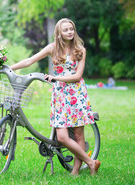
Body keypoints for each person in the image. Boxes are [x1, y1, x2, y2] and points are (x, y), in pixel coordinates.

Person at [10, 18, 101, 176]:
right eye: (65, 30)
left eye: (71, 29)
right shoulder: (52, 48)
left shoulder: (80, 50)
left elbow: (77, 76)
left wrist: (56, 78)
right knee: (62, 137)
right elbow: (30, 60)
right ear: (59, 33)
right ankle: (91, 162)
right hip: (60, 95)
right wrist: (9, 68)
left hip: (77, 94)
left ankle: (75, 172)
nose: (69, 32)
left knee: (79, 134)